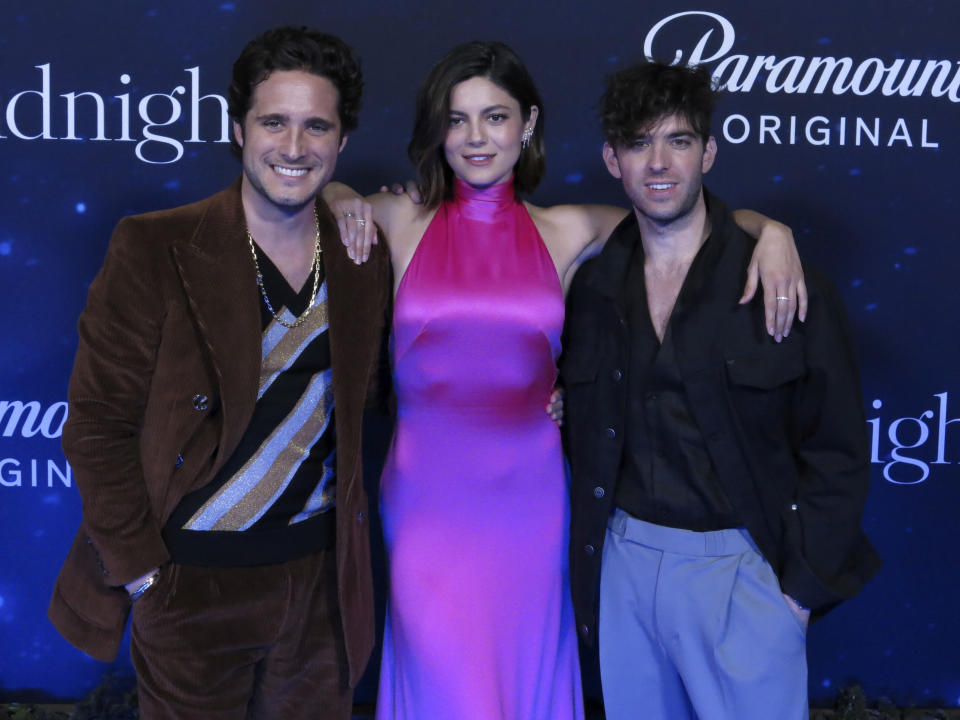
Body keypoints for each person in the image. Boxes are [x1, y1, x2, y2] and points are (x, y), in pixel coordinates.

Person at [326, 41, 805, 719]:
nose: (475, 137)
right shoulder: (399, 220)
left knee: (527, 672)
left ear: (527, 124)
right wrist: (343, 194)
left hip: (532, 499)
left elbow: (691, 226)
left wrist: (771, 229)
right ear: (438, 130)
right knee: (442, 679)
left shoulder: (569, 229)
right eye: (457, 119)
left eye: (494, 117)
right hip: (427, 497)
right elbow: (305, 195)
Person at [47, 27, 390, 719]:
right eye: (274, 122)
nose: (294, 148)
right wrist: (146, 570)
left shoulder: (363, 254)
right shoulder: (156, 245)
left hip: (320, 585)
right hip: (190, 584)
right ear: (238, 128)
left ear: (342, 140)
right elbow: (97, 422)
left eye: (316, 126)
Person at [562, 61, 881, 720]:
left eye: (677, 140)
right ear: (611, 159)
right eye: (638, 143)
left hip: (743, 573)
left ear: (707, 151)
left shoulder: (787, 283)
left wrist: (793, 597)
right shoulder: (587, 288)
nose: (659, 162)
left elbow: (839, 449)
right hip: (622, 565)